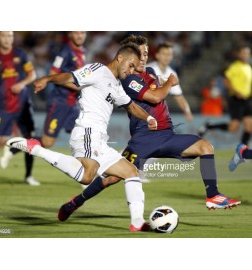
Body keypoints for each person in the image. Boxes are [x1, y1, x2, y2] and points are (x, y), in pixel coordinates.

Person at [56, 34, 241, 230]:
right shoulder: (128, 79)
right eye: (140, 54)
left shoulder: (150, 71)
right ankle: (76, 202)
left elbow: (155, 82)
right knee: (111, 178)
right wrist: (170, 81)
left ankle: (213, 195)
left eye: (146, 53)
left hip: (167, 135)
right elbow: (154, 97)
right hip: (143, 140)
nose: (144, 57)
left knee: (205, 147)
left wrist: (162, 80)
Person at [6, 42, 158, 231]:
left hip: (100, 140)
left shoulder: (117, 85)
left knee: (131, 172)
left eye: (135, 67)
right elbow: (71, 77)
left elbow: (131, 106)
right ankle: (36, 149)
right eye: (130, 65)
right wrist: (47, 79)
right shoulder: (97, 70)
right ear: (120, 58)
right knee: (87, 177)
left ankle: (137, 223)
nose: (132, 70)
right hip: (87, 131)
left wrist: (149, 117)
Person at [0, 31, 87, 169]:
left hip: (74, 104)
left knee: (81, 137)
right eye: (76, 33)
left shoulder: (82, 51)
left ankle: (85, 174)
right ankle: (14, 148)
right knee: (47, 142)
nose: (80, 36)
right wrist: (78, 87)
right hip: (60, 102)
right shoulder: (64, 52)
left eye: (82, 32)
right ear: (70, 34)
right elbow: (52, 74)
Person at [0, 31, 39, 186]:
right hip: (3, 106)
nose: (8, 39)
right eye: (5, 36)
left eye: (10, 36)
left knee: (29, 138)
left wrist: (21, 84)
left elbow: (32, 74)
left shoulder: (20, 54)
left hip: (22, 104)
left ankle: (28, 176)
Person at [198, 44, 252, 145]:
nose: (245, 55)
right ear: (239, 54)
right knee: (233, 128)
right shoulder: (235, 66)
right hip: (236, 99)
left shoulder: (249, 67)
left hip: (247, 99)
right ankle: (209, 126)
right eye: (243, 53)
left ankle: (241, 151)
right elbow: (225, 80)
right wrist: (236, 92)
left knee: (249, 126)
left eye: (247, 53)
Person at [147, 42, 194, 121]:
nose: (167, 56)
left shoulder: (172, 74)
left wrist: (187, 111)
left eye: (169, 54)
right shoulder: (148, 69)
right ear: (157, 55)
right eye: (164, 54)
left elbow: (178, 96)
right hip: (143, 112)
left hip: (156, 113)